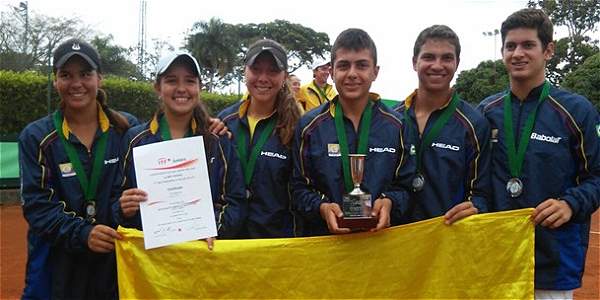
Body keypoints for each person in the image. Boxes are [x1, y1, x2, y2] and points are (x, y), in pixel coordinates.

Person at [477, 8, 600, 299]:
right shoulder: (486, 112)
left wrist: (570, 204)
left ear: (548, 50)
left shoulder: (576, 110)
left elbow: (596, 176)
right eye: (510, 46)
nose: (517, 53)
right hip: (494, 259)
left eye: (528, 45)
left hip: (551, 262)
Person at [19, 38, 138, 299]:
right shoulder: (36, 137)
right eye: (66, 75)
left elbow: (168, 140)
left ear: (100, 78)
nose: (76, 84)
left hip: (115, 264)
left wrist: (209, 125)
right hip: (58, 265)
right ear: (55, 80)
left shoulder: (127, 129)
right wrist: (83, 233)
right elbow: (37, 206)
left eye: (85, 74)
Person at [115, 52, 247, 247]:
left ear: (200, 88)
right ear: (158, 88)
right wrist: (123, 208)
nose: (181, 89)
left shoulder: (217, 141)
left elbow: (235, 201)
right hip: (152, 260)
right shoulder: (135, 140)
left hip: (202, 254)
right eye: (171, 81)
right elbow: (116, 198)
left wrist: (214, 230)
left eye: (190, 81)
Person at [292, 28, 412, 236]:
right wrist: (321, 208)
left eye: (362, 65)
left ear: (375, 71)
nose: (352, 74)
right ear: (332, 73)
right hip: (326, 248)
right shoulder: (309, 127)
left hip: (382, 246)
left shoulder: (398, 125)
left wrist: (391, 201)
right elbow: (297, 188)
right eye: (344, 65)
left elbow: (408, 185)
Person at [393, 25, 491, 225]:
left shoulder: (474, 124)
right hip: (394, 242)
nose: (437, 65)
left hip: (446, 240)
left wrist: (476, 206)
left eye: (446, 58)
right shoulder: (391, 120)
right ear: (414, 62)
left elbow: (481, 192)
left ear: (457, 63)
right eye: (429, 57)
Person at [218, 39, 302, 238]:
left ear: (285, 78)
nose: (263, 78)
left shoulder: (297, 127)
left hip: (275, 247)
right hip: (227, 243)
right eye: (256, 69)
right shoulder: (224, 122)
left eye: (273, 71)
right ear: (244, 71)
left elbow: (301, 189)